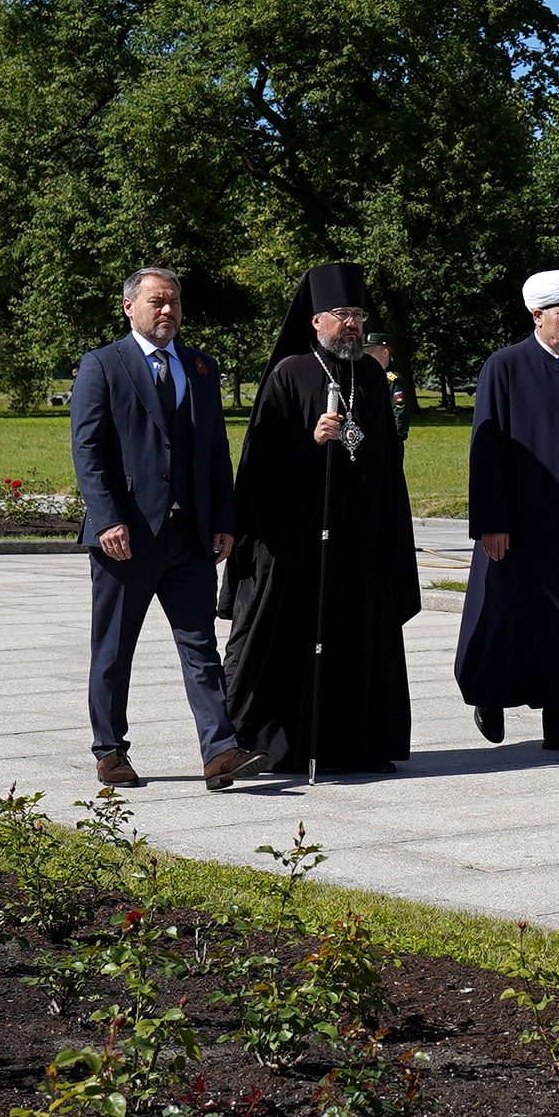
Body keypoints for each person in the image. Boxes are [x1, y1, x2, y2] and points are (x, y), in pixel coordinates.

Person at [68, 267, 267, 792]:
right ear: (129, 306)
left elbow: (217, 454)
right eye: (157, 301)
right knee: (113, 649)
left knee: (200, 646)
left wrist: (224, 522)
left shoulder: (201, 368)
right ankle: (110, 752)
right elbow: (88, 451)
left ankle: (220, 752)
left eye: (174, 302)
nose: (168, 311)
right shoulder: (102, 365)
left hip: (191, 537)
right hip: (126, 538)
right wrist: (108, 517)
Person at [219, 264, 420, 777]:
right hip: (298, 538)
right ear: (315, 321)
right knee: (282, 643)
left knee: (360, 642)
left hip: (360, 539)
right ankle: (273, 744)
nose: (351, 325)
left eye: (357, 315)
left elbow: (384, 461)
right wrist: (309, 442)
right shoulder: (290, 372)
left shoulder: (371, 375)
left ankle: (354, 744)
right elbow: (260, 459)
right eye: (340, 315)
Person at [455, 269, 559, 753]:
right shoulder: (505, 365)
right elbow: (486, 450)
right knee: (507, 617)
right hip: (523, 523)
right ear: (537, 316)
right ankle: (489, 693)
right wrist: (491, 521)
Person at [364, 333, 409, 444]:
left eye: (372, 350)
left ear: (385, 352)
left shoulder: (393, 379)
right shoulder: (368, 377)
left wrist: (397, 436)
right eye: (368, 351)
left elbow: (399, 408)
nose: (368, 354)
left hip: (388, 438)